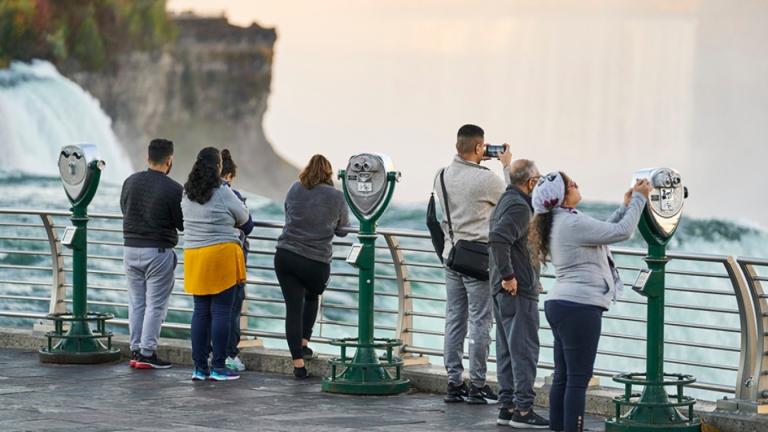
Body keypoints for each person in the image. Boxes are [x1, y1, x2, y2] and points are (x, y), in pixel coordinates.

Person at [529, 172, 651, 432]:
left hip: (562, 304)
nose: (577, 185)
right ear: (561, 197)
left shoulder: (563, 221)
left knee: (563, 377)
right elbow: (622, 232)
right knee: (577, 380)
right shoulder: (571, 224)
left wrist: (625, 206)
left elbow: (602, 232)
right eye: (571, 184)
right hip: (579, 308)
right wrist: (640, 199)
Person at [434, 124, 512, 404]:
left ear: (458, 146)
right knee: (480, 321)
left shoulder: (440, 175)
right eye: (483, 147)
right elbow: (513, 205)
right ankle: (477, 384)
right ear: (480, 148)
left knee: (454, 320)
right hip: (479, 260)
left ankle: (454, 383)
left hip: (451, 255)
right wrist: (506, 166)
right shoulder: (487, 179)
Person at [275, 154, 350, 379]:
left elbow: (288, 213)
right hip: (315, 261)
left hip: (286, 255)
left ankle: (298, 364)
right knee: (312, 296)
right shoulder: (337, 196)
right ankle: (304, 342)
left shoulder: (295, 188)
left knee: (292, 310)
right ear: (328, 174)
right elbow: (343, 230)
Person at [489, 159, 549, 428]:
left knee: (507, 351)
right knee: (523, 351)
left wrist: (525, 275)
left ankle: (507, 407)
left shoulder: (506, 199)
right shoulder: (520, 207)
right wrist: (510, 276)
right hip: (515, 290)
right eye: (539, 177)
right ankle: (523, 411)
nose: (540, 181)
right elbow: (500, 238)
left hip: (505, 288)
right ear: (531, 182)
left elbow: (516, 247)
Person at [182, 147, 250, 381]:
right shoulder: (222, 191)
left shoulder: (187, 191)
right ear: (218, 166)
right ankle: (219, 367)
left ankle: (200, 368)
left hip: (194, 256)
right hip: (221, 255)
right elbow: (245, 220)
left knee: (200, 312)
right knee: (221, 311)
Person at [120, 138, 183, 369]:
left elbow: (123, 209)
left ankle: (135, 350)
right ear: (169, 160)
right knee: (155, 304)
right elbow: (181, 223)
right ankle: (147, 353)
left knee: (136, 302)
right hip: (157, 251)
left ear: (148, 158)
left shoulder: (130, 181)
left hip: (130, 248)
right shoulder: (174, 189)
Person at [219, 149, 254, 373]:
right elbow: (247, 225)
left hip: (204, 255)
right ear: (229, 176)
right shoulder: (233, 196)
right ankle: (230, 354)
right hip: (232, 258)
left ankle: (208, 353)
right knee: (231, 308)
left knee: (207, 309)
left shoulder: (197, 193)